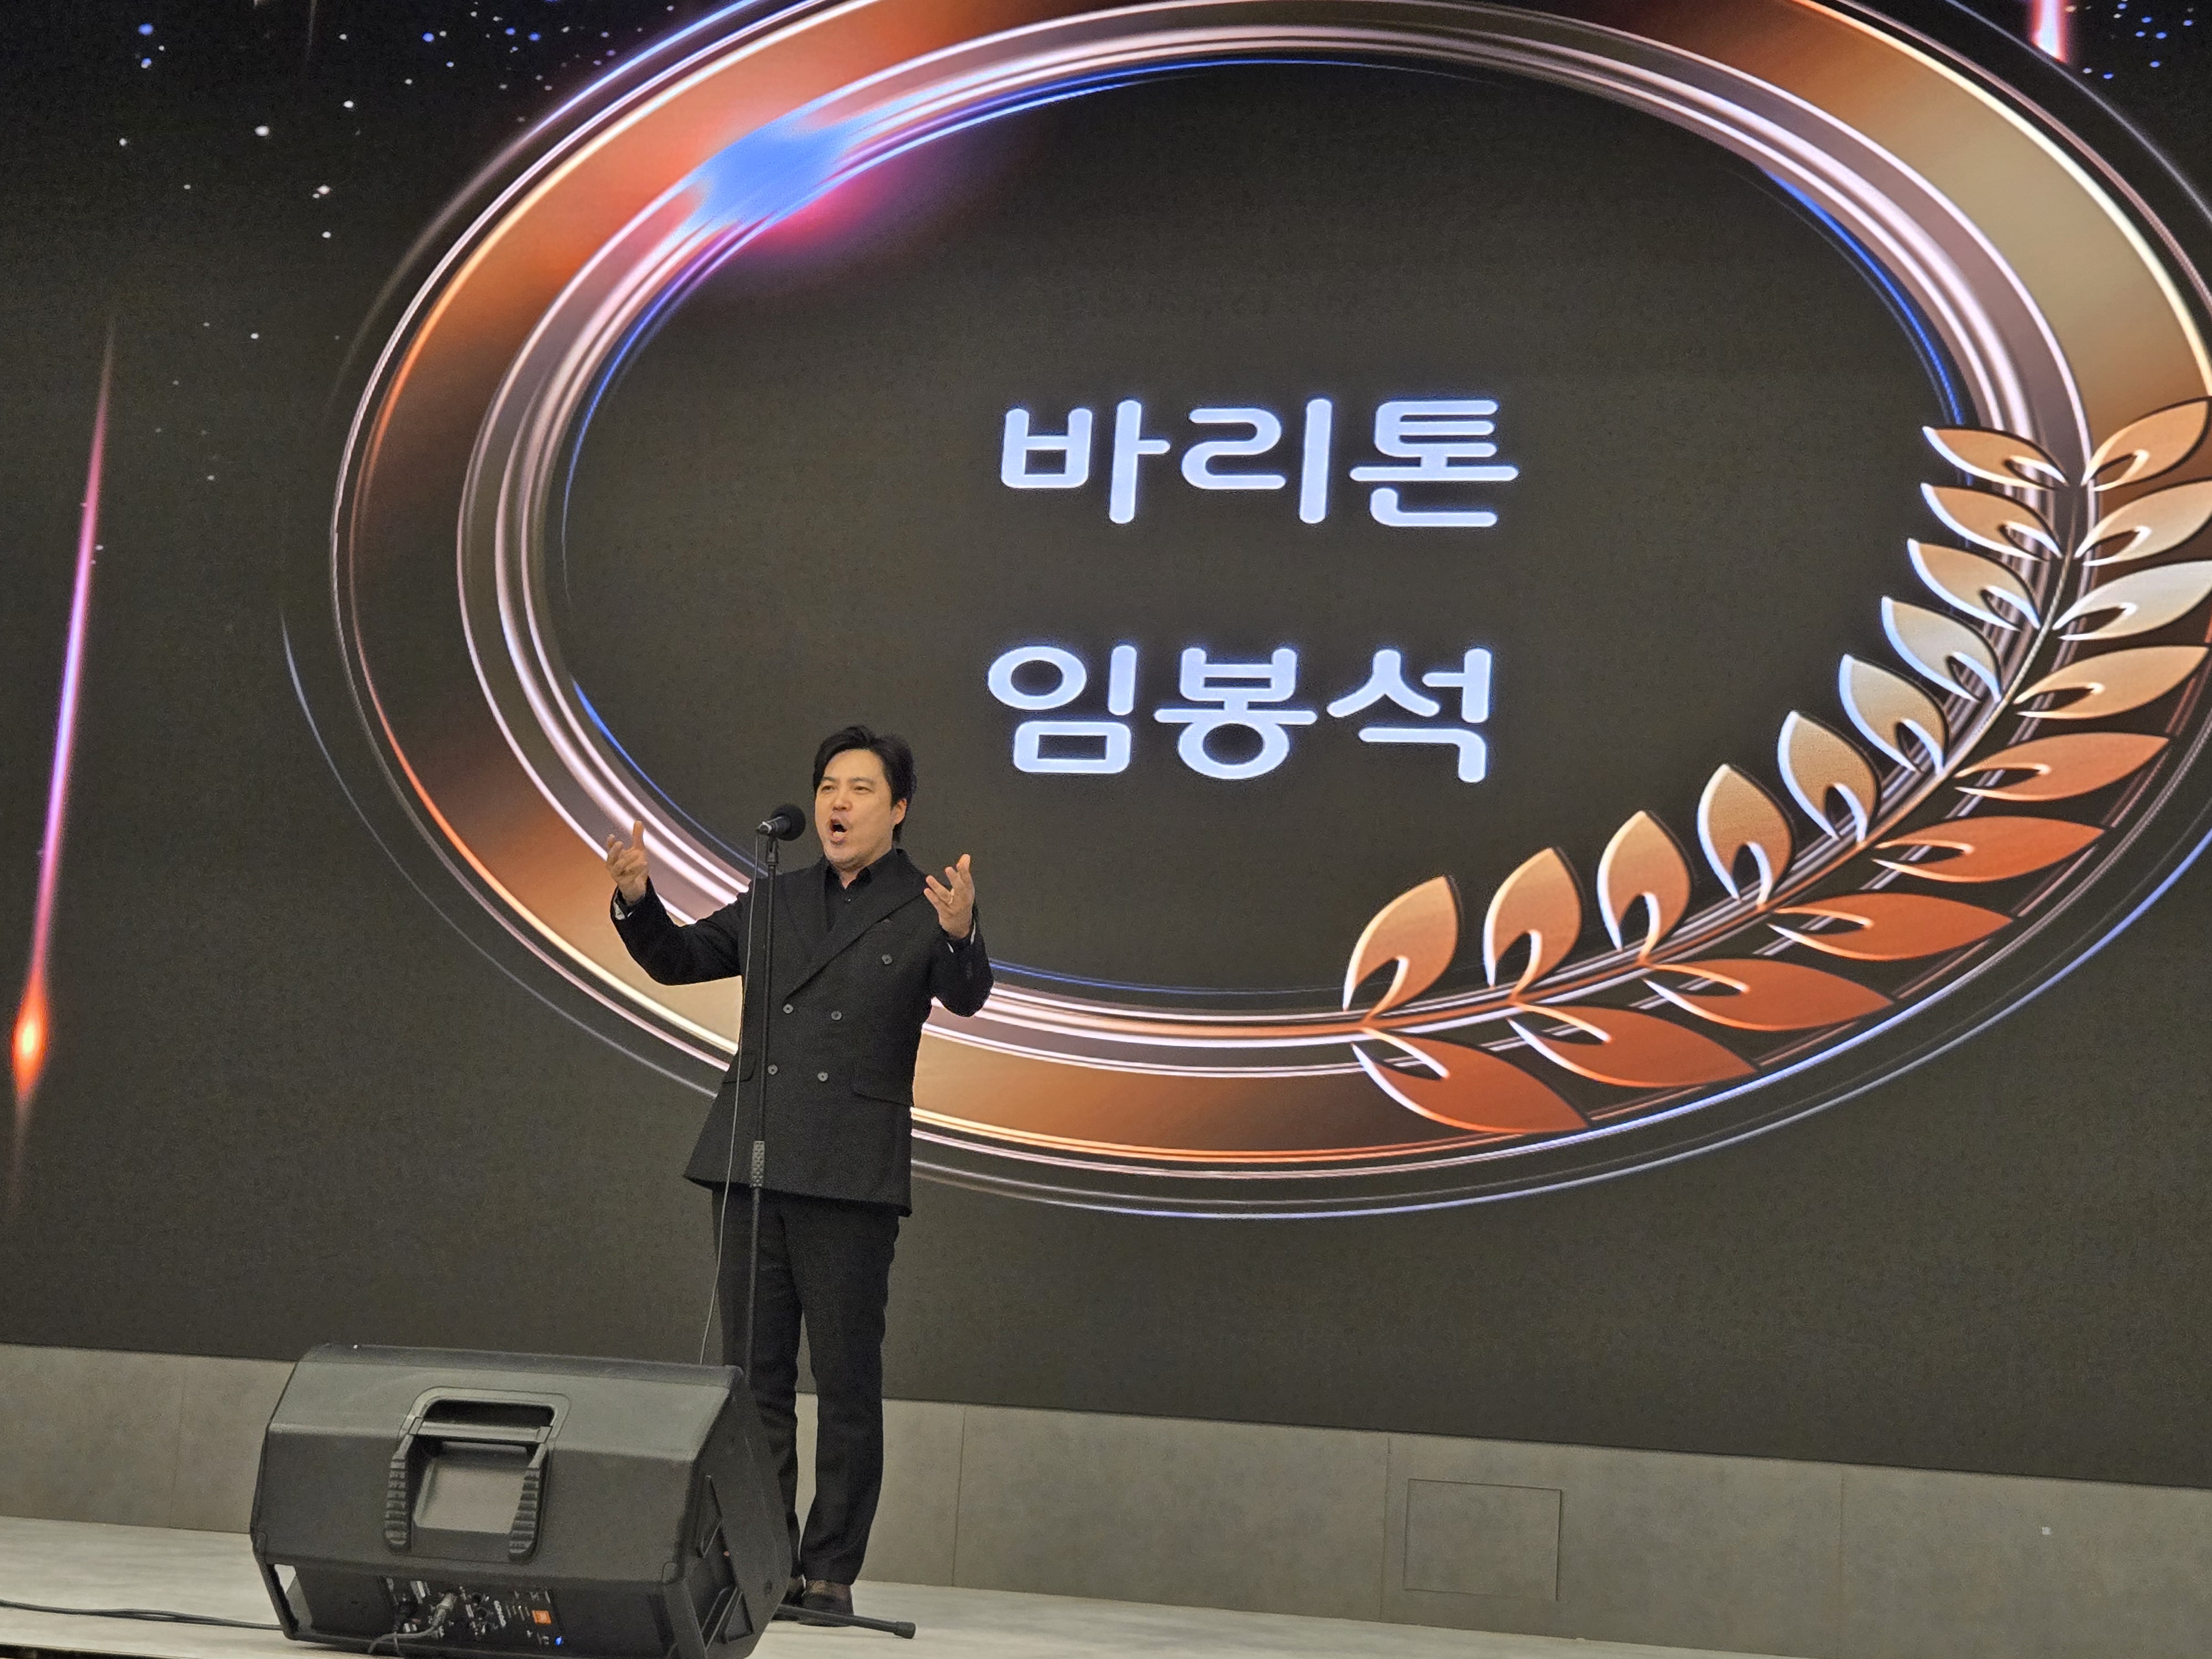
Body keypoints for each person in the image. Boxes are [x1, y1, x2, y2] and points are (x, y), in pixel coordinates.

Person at [603, 726, 990, 1625]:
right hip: (753, 1161)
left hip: (850, 1173)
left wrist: (963, 933)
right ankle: (765, 1560)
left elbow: (968, 993)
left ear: (899, 808)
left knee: (846, 1381)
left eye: (861, 788)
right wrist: (636, 899)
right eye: (827, 787)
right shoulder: (774, 895)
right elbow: (679, 960)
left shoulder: (925, 905)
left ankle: (830, 1569)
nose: (837, 803)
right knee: (755, 1378)